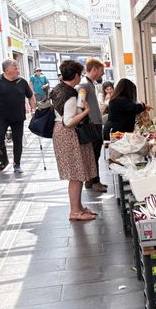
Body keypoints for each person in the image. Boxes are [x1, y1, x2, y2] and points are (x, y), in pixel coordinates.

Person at [51, 60, 98, 222]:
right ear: (76, 75)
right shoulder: (70, 94)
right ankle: (75, 212)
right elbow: (69, 121)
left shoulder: (58, 88)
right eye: (80, 74)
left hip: (61, 133)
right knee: (76, 174)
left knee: (77, 173)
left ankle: (79, 207)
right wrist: (86, 111)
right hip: (68, 135)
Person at [0, 59, 35, 173]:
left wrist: (33, 109)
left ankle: (17, 164)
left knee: (17, 141)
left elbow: (31, 96)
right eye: (16, 68)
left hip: (18, 116)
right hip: (1, 116)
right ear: (7, 70)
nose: (18, 70)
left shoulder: (22, 81)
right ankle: (2, 159)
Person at [79, 58, 107, 192]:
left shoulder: (89, 84)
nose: (102, 73)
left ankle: (90, 180)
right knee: (94, 154)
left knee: (94, 153)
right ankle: (95, 181)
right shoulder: (84, 85)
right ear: (94, 69)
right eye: (101, 71)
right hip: (92, 124)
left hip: (95, 122)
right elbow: (80, 103)